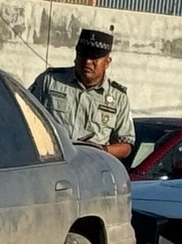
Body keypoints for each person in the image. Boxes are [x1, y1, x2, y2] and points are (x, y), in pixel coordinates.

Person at [29, 28, 135, 160]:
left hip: (91, 167)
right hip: (52, 162)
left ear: (107, 62)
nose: (87, 62)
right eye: (82, 55)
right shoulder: (50, 81)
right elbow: (25, 115)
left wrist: (102, 150)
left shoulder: (119, 98)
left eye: (94, 57)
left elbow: (126, 144)